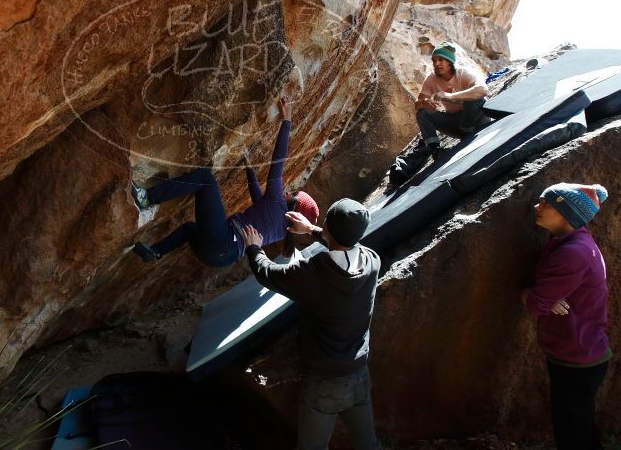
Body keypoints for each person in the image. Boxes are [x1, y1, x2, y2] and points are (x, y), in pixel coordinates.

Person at [242, 199, 381, 450]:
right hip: (359, 372)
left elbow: (268, 273)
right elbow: (346, 243)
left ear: (328, 224)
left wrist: (254, 247)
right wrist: (312, 230)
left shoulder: (312, 275)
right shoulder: (372, 261)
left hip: (324, 381)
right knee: (368, 444)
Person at [131, 95, 319, 267]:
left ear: (294, 209)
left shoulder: (278, 205)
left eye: (293, 194)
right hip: (220, 257)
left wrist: (287, 119)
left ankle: (148, 197)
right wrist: (248, 168)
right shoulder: (280, 230)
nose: (288, 191)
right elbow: (258, 199)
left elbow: (278, 160)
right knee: (189, 229)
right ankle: (155, 252)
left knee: (206, 179)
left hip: (224, 240)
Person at [521, 183, 611, 450]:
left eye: (546, 203)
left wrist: (529, 293)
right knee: (580, 426)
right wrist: (546, 295)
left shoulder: (572, 253)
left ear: (565, 213)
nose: (536, 207)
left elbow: (536, 304)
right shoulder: (574, 242)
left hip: (576, 357)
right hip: (582, 353)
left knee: (572, 434)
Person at [415, 42, 490, 157]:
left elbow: (482, 90)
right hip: (456, 124)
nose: (437, 64)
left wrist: (450, 96)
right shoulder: (431, 79)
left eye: (441, 60)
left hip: (477, 120)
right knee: (422, 113)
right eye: (434, 60)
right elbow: (417, 105)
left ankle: (467, 133)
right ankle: (435, 150)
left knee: (473, 97)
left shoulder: (464, 73)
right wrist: (424, 103)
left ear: (450, 62)